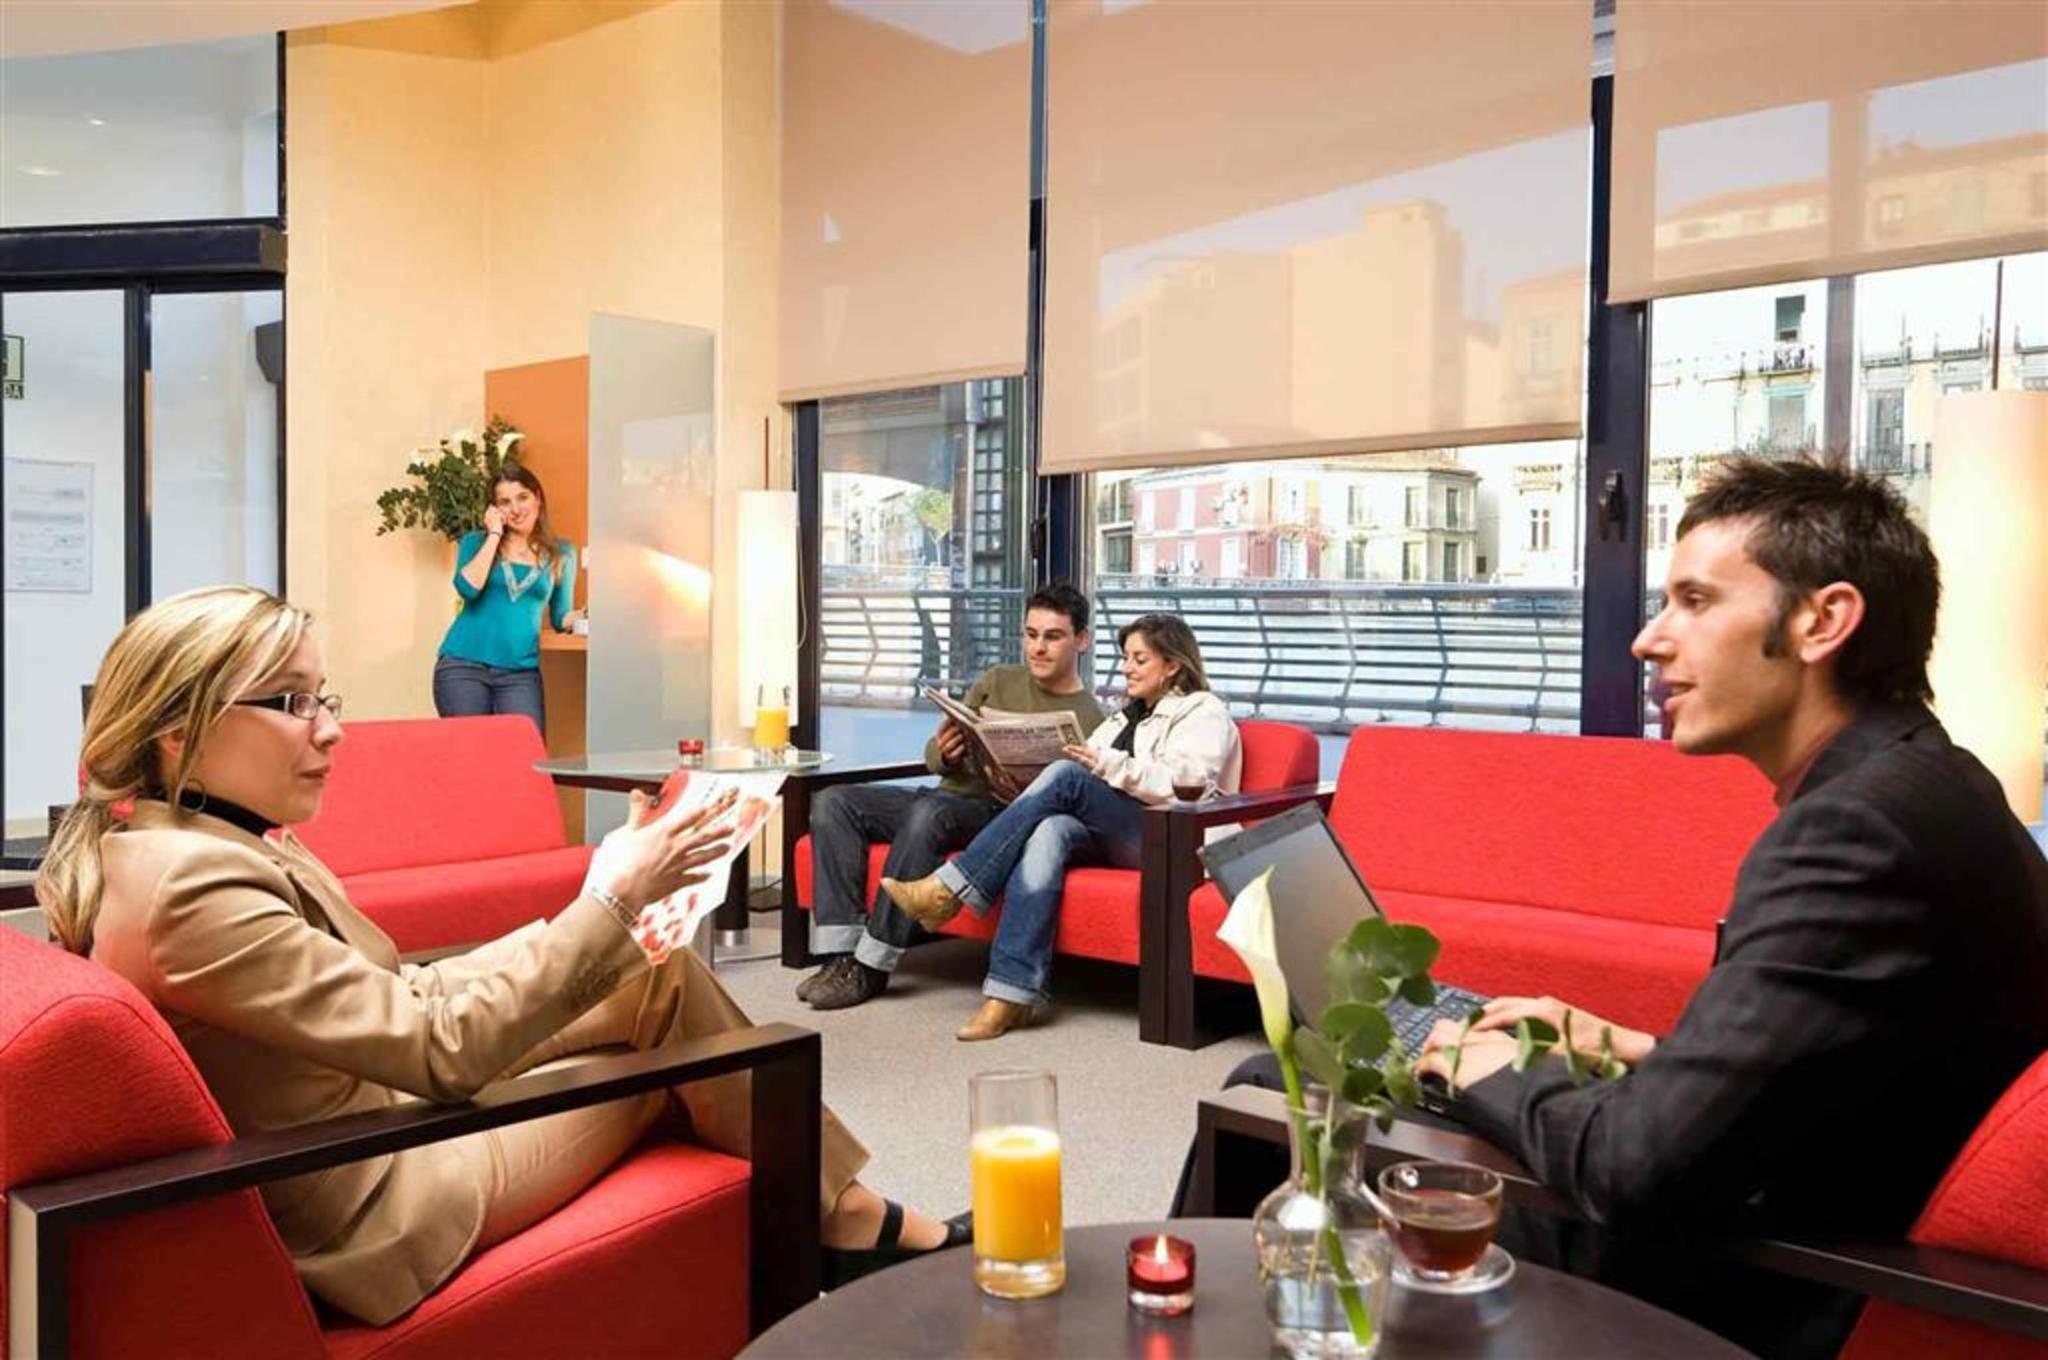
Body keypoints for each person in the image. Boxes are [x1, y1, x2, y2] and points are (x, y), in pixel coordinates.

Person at [1184, 458, 2048, 1359]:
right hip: (1796, 1193)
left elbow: (1633, 1170)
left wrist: (1474, 1063)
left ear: (1821, 621)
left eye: (1695, 601)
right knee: (1319, 1082)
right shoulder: (1934, 782)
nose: (1647, 640)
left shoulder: (1853, 833)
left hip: (1778, 1282)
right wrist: (1638, 1049)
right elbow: (1851, 1070)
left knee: (1276, 1102)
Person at [38, 586, 964, 1327]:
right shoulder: (193, 890)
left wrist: (603, 902)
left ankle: (846, 1215)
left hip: (377, 1097)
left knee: (651, 969)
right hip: (379, 1194)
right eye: (292, 703)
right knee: (687, 1065)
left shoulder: (209, 838)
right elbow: (439, 1048)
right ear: (179, 731)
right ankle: (850, 1226)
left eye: (325, 698)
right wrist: (612, 901)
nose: (330, 728)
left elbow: (398, 992)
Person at [882, 614, 1241, 1040]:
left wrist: (1107, 764)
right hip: (1121, 832)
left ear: (1173, 665)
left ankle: (948, 889)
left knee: (1066, 776)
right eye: (1126, 657)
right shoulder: (1124, 718)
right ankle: (1011, 994)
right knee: (1049, 829)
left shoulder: (1203, 710)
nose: (1126, 668)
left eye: (1139, 659)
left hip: (1174, 839)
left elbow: (1186, 783)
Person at [797, 582, 1104, 1011]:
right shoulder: (997, 680)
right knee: (834, 801)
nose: (1038, 648)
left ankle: (872, 965)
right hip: (946, 798)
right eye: (1031, 634)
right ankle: (841, 956)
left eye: (1052, 637)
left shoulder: (1091, 718)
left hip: (996, 818)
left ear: (1081, 640)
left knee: (930, 812)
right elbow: (933, 758)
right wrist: (944, 752)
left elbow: (1075, 800)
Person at [432, 463, 584, 736]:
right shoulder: (475, 542)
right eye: (504, 502)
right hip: (463, 666)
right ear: (495, 509)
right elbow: (468, 589)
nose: (515, 509)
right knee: (471, 754)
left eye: (522, 497)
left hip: (520, 672)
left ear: (537, 497)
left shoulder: (562, 553)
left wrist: (587, 614)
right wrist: (494, 534)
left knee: (527, 753)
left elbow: (560, 617)